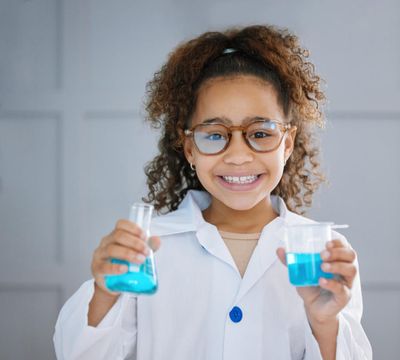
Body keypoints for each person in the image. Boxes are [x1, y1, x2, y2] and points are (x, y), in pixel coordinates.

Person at [53, 25, 372, 359]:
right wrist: (104, 293)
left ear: (287, 143)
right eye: (214, 135)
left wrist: (325, 324)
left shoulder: (324, 253)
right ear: (189, 148)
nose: (237, 156)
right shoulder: (146, 250)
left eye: (261, 133)